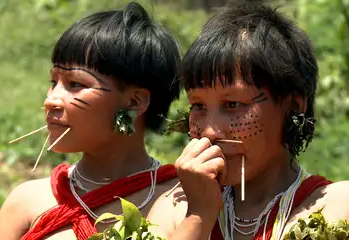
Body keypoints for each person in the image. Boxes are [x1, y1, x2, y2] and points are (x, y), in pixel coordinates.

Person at [147, 1, 349, 239]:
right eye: (198, 106)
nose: (210, 132)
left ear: (293, 105)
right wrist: (200, 213)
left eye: (233, 105)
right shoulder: (174, 211)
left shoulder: (335, 208)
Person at [0, 2, 181, 240]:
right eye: (53, 83)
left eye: (75, 84)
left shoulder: (178, 204)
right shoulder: (26, 202)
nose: (51, 100)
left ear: (134, 102)